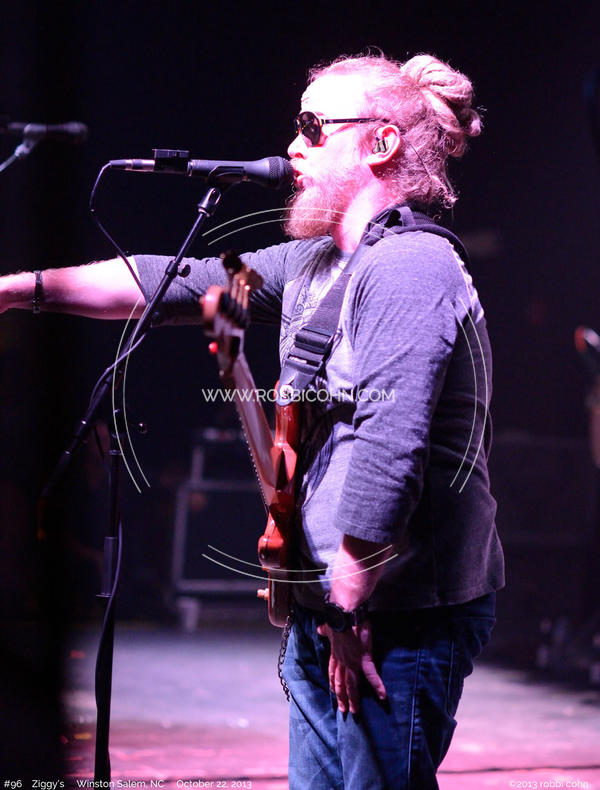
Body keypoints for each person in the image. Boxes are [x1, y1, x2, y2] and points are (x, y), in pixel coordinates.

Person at [0, 52, 504, 789]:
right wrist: (16, 290)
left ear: (382, 142)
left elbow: (390, 445)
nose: (293, 146)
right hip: (328, 602)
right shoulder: (314, 263)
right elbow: (174, 282)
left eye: (313, 126)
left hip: (394, 610)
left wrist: (347, 606)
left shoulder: (411, 267)